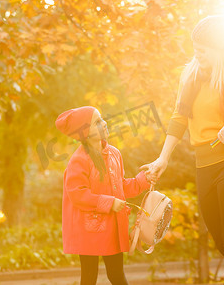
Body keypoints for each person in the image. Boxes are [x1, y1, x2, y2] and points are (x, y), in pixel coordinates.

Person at [140, 15, 224, 284]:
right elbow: (179, 118)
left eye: (203, 49)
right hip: (204, 166)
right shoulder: (191, 78)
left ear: (220, 49)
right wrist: (163, 158)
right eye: (195, 47)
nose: (197, 53)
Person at [55, 106, 154, 285]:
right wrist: (108, 202)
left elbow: (121, 186)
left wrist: (143, 180)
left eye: (102, 119)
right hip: (88, 228)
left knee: (116, 275)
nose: (105, 123)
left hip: (112, 226)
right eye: (97, 122)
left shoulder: (114, 154)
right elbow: (77, 193)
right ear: (85, 132)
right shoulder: (79, 160)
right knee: (89, 277)